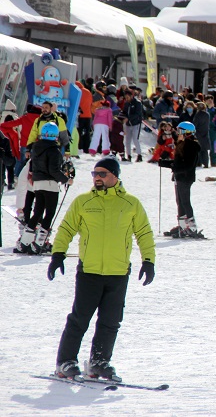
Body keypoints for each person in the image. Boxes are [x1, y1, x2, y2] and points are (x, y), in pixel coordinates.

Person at [47, 157, 155, 381]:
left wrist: (149, 261)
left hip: (118, 273)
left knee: (110, 321)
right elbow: (66, 229)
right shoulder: (84, 202)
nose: (97, 177)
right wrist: (58, 254)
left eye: (102, 174)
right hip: (90, 272)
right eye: (94, 174)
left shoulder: (131, 204)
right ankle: (65, 362)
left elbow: (144, 233)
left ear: (115, 176)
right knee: (79, 319)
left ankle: (99, 362)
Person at [18, 123, 73, 254]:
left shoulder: (35, 148)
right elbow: (53, 170)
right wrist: (66, 180)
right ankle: (39, 243)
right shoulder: (54, 150)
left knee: (37, 213)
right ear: (55, 136)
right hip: (50, 185)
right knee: (49, 214)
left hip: (37, 183)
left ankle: (25, 242)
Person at [160, 122, 203, 238]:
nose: (177, 134)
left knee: (185, 201)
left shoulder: (191, 146)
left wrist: (174, 167)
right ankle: (183, 226)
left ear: (186, 133)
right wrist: (165, 163)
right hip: (179, 176)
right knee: (180, 202)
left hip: (185, 177)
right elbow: (179, 162)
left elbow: (188, 165)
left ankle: (192, 227)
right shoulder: (182, 144)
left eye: (179, 131)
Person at [121, 90, 144, 162]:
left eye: (128, 97)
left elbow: (137, 114)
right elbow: (124, 112)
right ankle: (129, 155)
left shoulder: (137, 103)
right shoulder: (126, 103)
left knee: (135, 139)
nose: (126, 99)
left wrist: (129, 118)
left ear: (131, 96)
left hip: (135, 123)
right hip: (128, 124)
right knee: (127, 140)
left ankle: (139, 155)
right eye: (125, 98)